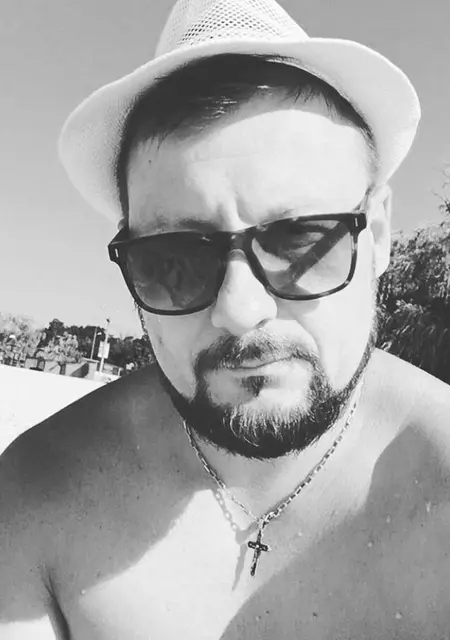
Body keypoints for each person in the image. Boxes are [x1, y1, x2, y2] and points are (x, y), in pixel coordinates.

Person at [1, 0, 449, 638]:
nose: (240, 310)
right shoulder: (37, 500)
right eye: (175, 261)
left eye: (299, 240)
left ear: (377, 236)